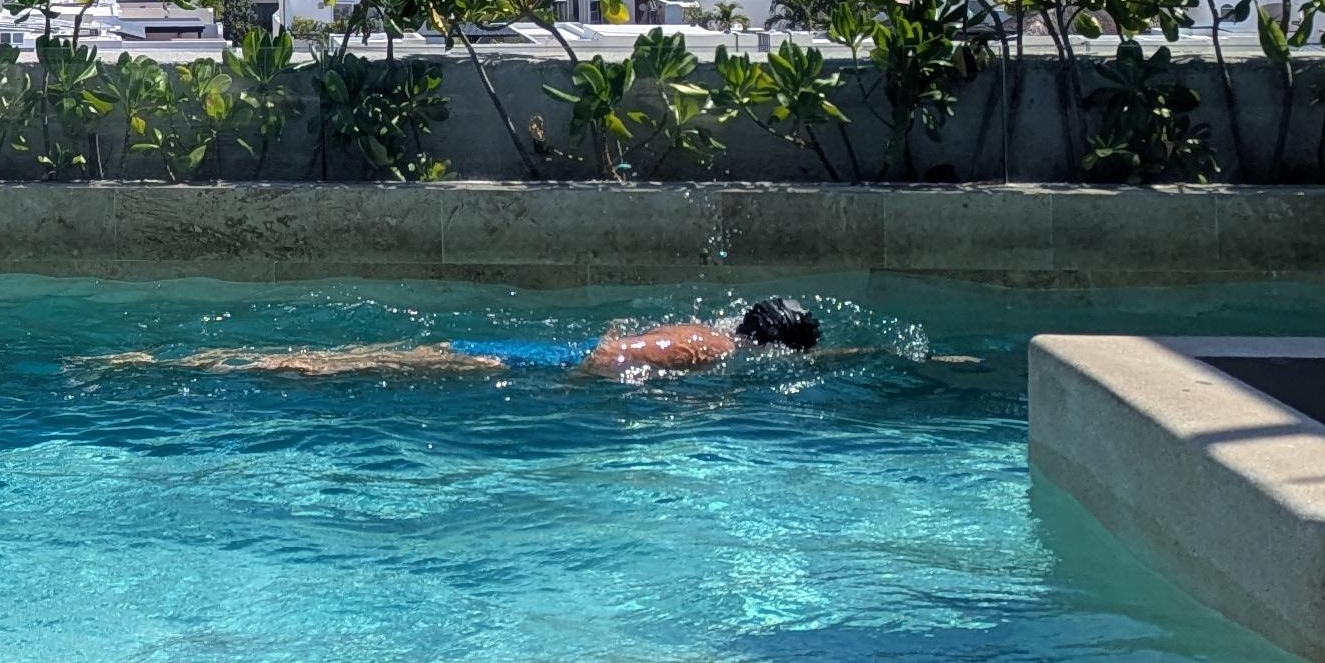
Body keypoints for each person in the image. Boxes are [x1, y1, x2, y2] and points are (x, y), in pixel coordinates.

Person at [101, 298, 822, 380]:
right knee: (354, 368)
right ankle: (214, 369)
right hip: (535, 363)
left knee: (358, 362)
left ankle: (211, 362)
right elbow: (615, 356)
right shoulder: (714, 350)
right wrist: (587, 386)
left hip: (530, 350)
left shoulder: (707, 329)